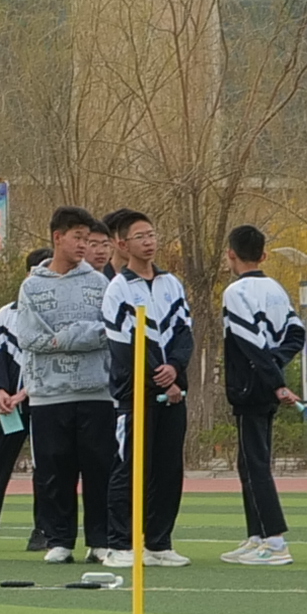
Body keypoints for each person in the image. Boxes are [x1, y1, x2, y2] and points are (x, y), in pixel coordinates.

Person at [14, 206, 129, 570]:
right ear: (57, 237)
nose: (83, 245)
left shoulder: (99, 283)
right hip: (48, 393)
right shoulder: (32, 286)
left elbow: (106, 330)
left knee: (99, 469)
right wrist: (71, 338)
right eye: (77, 238)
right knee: (53, 470)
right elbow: (30, 336)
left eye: (88, 239)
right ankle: (59, 539)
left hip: (95, 391)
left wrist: (63, 338)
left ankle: (100, 540)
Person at [211, 224, 302, 564]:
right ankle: (257, 535)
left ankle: (275, 542)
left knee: (255, 462)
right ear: (264, 255)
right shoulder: (276, 289)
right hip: (262, 381)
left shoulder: (236, 292)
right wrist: (276, 368)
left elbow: (250, 344)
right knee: (247, 462)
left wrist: (274, 381)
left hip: (252, 386)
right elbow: (295, 334)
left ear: (231, 254)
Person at [115, 217, 197, 565]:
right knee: (130, 469)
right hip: (136, 395)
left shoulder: (171, 284)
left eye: (152, 234)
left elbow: (184, 333)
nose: (148, 242)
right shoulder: (118, 288)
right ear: (123, 244)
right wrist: (156, 377)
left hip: (173, 394)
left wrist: (175, 371)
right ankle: (121, 544)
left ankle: (159, 543)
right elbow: (125, 344)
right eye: (140, 236)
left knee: (168, 470)